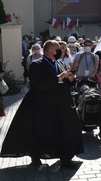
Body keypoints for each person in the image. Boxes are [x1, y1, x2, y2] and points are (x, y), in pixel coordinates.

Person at [0, 40, 83, 168]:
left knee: (67, 128)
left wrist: (71, 80)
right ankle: (36, 155)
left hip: (61, 104)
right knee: (40, 131)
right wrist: (58, 77)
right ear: (50, 50)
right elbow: (38, 83)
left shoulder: (60, 63)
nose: (60, 51)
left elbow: (67, 83)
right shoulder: (36, 65)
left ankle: (66, 158)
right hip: (42, 105)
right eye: (58, 49)